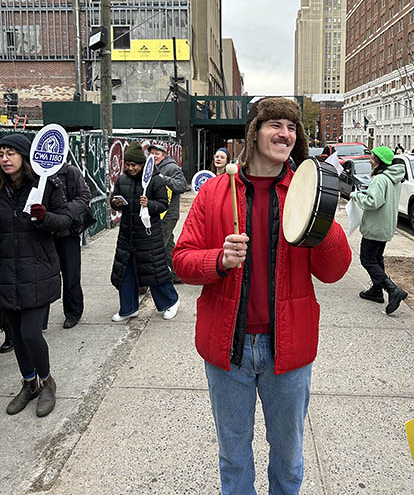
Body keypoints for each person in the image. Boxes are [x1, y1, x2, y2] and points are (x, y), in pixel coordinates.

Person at [173, 97, 351, 494]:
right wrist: (218, 259)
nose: (285, 133)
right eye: (275, 124)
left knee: (288, 458)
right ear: (254, 132)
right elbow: (182, 260)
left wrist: (324, 214)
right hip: (228, 350)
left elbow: (334, 271)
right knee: (234, 457)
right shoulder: (215, 192)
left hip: (287, 350)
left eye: (291, 127)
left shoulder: (306, 193)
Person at [0, 133, 72, 417]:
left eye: (11, 153)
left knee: (31, 333)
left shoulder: (47, 186)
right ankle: (29, 384)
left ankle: (46, 381)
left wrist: (45, 218)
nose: (5, 159)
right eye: (1, 154)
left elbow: (67, 220)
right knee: (17, 336)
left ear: (24, 157)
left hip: (38, 271)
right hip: (6, 274)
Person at [110, 141, 179, 321]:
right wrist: (115, 203)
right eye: (127, 165)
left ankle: (171, 301)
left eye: (134, 165)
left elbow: (163, 204)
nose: (130, 168)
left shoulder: (155, 180)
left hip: (148, 234)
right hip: (127, 233)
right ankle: (128, 308)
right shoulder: (122, 180)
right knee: (125, 272)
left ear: (141, 164)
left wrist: (150, 204)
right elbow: (114, 199)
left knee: (153, 270)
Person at [351, 146, 408, 314]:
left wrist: (357, 196)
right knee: (377, 258)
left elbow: (373, 202)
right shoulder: (394, 178)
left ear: (379, 160)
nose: (370, 160)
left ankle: (392, 290)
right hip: (386, 226)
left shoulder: (380, 179)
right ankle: (376, 290)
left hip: (375, 226)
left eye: (372, 157)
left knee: (367, 260)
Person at [43, 163, 92, 330]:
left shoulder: (70, 172)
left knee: (71, 275)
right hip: (42, 232)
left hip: (67, 232)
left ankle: (73, 313)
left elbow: (84, 196)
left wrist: (63, 212)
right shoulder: (34, 171)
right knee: (41, 276)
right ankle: (40, 319)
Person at [147, 143, 189, 285]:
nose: (154, 156)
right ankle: (179, 274)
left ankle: (149, 280)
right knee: (168, 248)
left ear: (164, 155)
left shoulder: (171, 167)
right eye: (151, 153)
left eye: (157, 153)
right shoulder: (150, 167)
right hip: (157, 213)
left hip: (168, 215)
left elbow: (182, 186)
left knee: (156, 246)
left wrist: (163, 178)